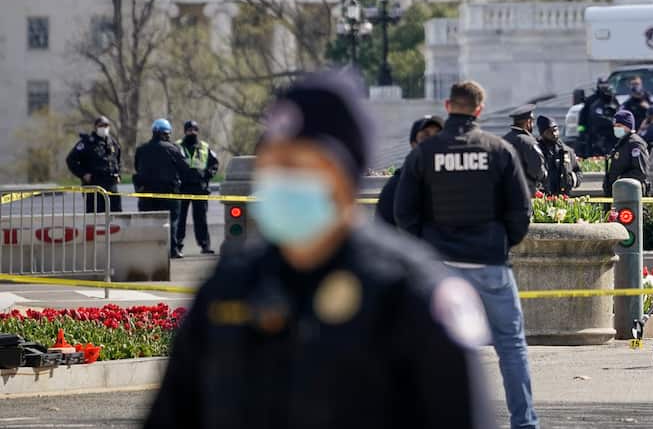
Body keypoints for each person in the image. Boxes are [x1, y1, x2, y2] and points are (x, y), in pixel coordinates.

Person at [145, 71, 493, 429]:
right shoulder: (228, 287)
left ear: (344, 175)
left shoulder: (412, 294)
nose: (281, 179)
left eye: (298, 165)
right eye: (274, 164)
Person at [395, 80, 538, 429]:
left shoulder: (425, 153)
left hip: (440, 268)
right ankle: (524, 422)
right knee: (511, 347)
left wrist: (426, 248)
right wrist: (502, 242)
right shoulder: (498, 150)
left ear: (447, 106)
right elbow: (521, 211)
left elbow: (403, 212)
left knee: (435, 352)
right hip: (489, 263)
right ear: (479, 109)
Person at [134, 119, 188, 259]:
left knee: (148, 221)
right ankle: (172, 250)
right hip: (169, 192)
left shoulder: (141, 149)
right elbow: (184, 168)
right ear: (166, 133)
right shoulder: (173, 148)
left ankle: (148, 250)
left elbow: (137, 167)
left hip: (147, 193)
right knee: (172, 222)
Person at [376, 115, 443, 226]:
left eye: (439, 136)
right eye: (425, 136)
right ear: (413, 144)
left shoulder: (453, 180)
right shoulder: (396, 185)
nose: (433, 142)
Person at [175, 120, 220, 256]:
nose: (192, 132)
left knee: (201, 218)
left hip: (200, 187)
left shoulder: (204, 147)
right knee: (180, 218)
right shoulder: (177, 146)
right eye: (189, 130)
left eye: (194, 130)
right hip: (182, 187)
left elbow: (214, 164)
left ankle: (205, 245)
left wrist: (207, 175)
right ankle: (177, 246)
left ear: (197, 131)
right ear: (185, 131)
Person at [65, 115, 122, 213]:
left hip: (111, 186)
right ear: (96, 127)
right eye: (101, 125)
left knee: (115, 216)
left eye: (106, 125)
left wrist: (118, 175)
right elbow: (71, 160)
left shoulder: (113, 143)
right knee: (95, 218)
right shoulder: (86, 143)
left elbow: (118, 161)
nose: (104, 128)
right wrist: (83, 174)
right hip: (94, 186)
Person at [603, 110, 650, 196]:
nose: (616, 128)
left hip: (631, 193)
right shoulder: (622, 143)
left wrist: (620, 179)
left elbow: (640, 172)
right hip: (621, 192)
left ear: (628, 126)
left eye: (619, 126)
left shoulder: (635, 144)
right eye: (615, 126)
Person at [503, 104, 547, 196]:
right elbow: (537, 169)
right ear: (528, 122)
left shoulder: (503, 140)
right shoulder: (528, 141)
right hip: (526, 191)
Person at [535, 115, 582, 196]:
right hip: (542, 197)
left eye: (555, 130)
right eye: (550, 131)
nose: (554, 134)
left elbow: (578, 171)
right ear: (542, 133)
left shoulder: (566, 151)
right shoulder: (536, 150)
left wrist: (571, 180)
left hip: (562, 196)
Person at [578, 78, 618, 158]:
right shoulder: (591, 100)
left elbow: (619, 114)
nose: (604, 87)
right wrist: (582, 133)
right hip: (594, 135)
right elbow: (582, 119)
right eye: (602, 85)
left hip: (611, 135)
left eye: (606, 85)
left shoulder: (613, 100)